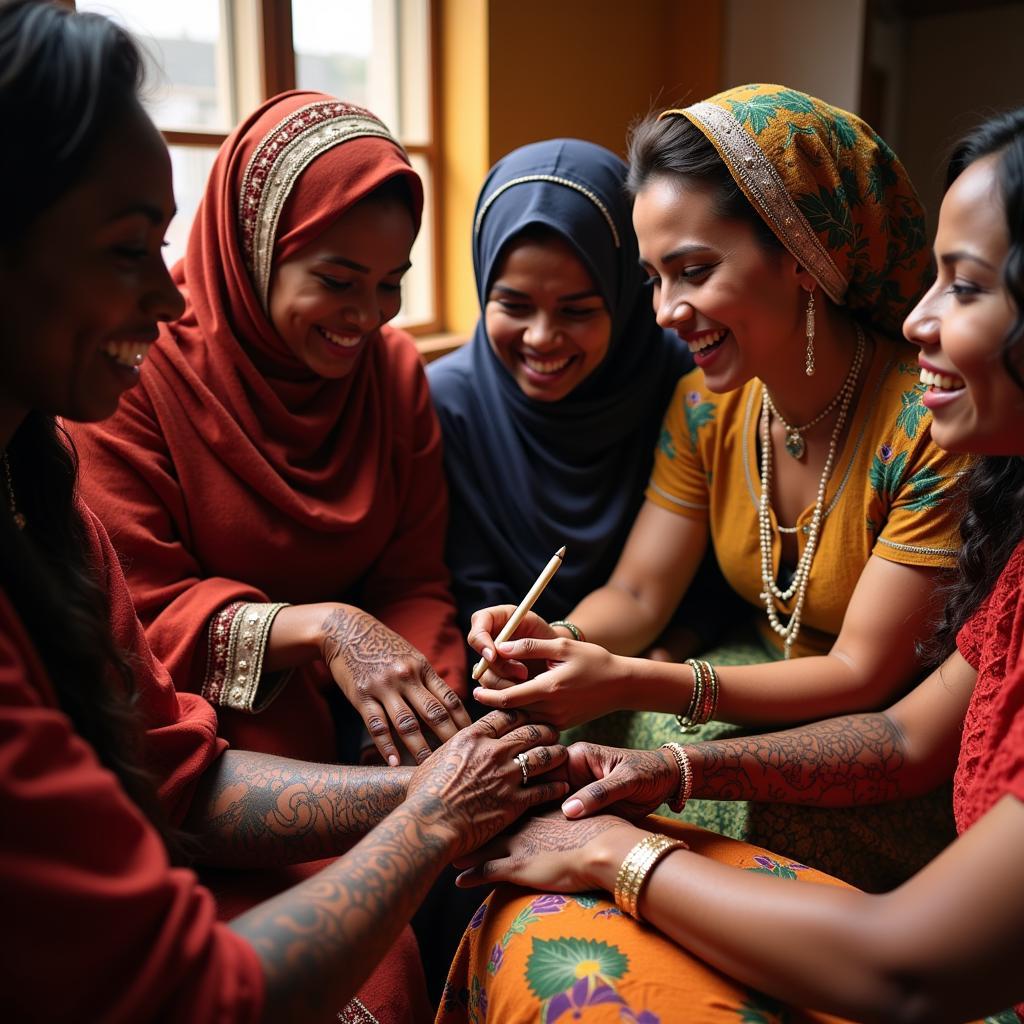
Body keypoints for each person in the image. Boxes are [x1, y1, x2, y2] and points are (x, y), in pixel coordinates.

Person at [0, 3, 568, 1021]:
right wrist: (423, 799)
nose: (168, 299)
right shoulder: (126, 394)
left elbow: (174, 770)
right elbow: (186, 970)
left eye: (390, 285)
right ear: (252, 249)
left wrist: (443, 764)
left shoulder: (33, 486)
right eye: (130, 251)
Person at [439, 106, 1024, 1024]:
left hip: (863, 725)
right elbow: (636, 589)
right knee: (586, 758)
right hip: (778, 693)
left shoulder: (929, 420)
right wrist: (560, 639)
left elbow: (873, 688)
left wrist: (636, 694)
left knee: (638, 776)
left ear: (801, 256)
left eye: (695, 271)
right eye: (653, 277)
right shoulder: (709, 409)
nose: (666, 311)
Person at [70, 87, 468, 769]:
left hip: (367, 711)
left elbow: (412, 583)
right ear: (252, 251)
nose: (368, 317)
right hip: (209, 730)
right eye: (337, 281)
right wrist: (324, 629)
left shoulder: (392, 373)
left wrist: (424, 716)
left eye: (390, 283)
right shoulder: (135, 373)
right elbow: (140, 614)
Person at [426, 138, 732, 653]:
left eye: (578, 310)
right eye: (513, 304)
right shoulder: (447, 402)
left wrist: (681, 639)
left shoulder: (687, 383)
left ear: (624, 295)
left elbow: (723, 561)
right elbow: (457, 580)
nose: (542, 338)